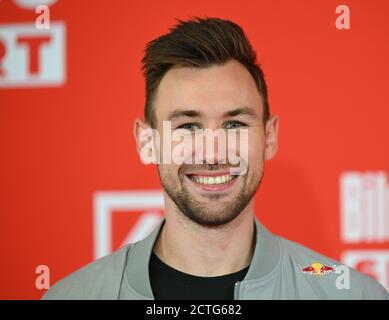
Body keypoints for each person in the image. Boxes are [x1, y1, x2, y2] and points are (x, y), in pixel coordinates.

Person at [42, 17, 389, 300]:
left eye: (234, 124)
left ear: (269, 137)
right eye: (189, 125)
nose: (213, 153)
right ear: (147, 142)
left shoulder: (351, 294)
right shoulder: (73, 296)